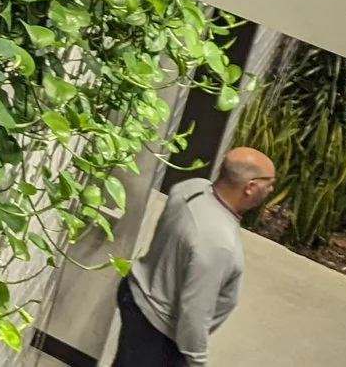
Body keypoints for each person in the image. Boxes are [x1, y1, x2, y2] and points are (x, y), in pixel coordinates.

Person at [113, 147, 277, 367]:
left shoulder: (191, 188)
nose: (272, 188)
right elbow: (194, 312)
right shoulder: (218, 243)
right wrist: (196, 361)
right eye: (269, 183)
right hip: (159, 333)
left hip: (136, 296)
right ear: (250, 187)